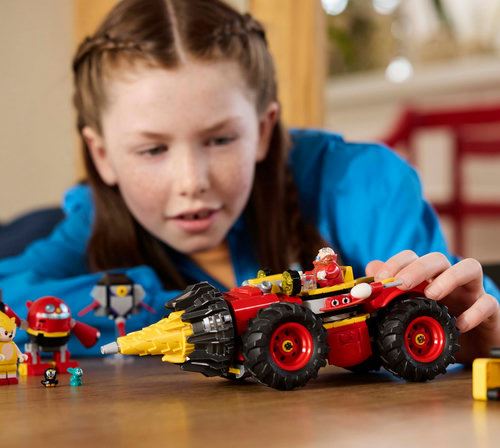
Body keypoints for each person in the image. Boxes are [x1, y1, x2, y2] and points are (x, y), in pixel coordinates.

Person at [0, 0, 498, 363]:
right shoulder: (93, 216)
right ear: (102, 156)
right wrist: (150, 301)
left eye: (219, 140)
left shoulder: (363, 183)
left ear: (262, 130)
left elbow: (464, 302)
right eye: (152, 150)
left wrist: (477, 333)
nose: (191, 182)